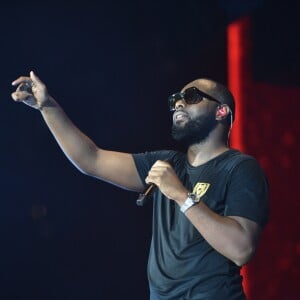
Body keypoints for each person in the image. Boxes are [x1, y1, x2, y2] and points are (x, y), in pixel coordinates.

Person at [11, 71, 269, 300]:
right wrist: (47, 107)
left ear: (221, 111)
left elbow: (241, 248)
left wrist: (181, 195)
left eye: (191, 96)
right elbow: (91, 159)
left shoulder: (240, 168)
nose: (178, 103)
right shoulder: (167, 163)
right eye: (175, 99)